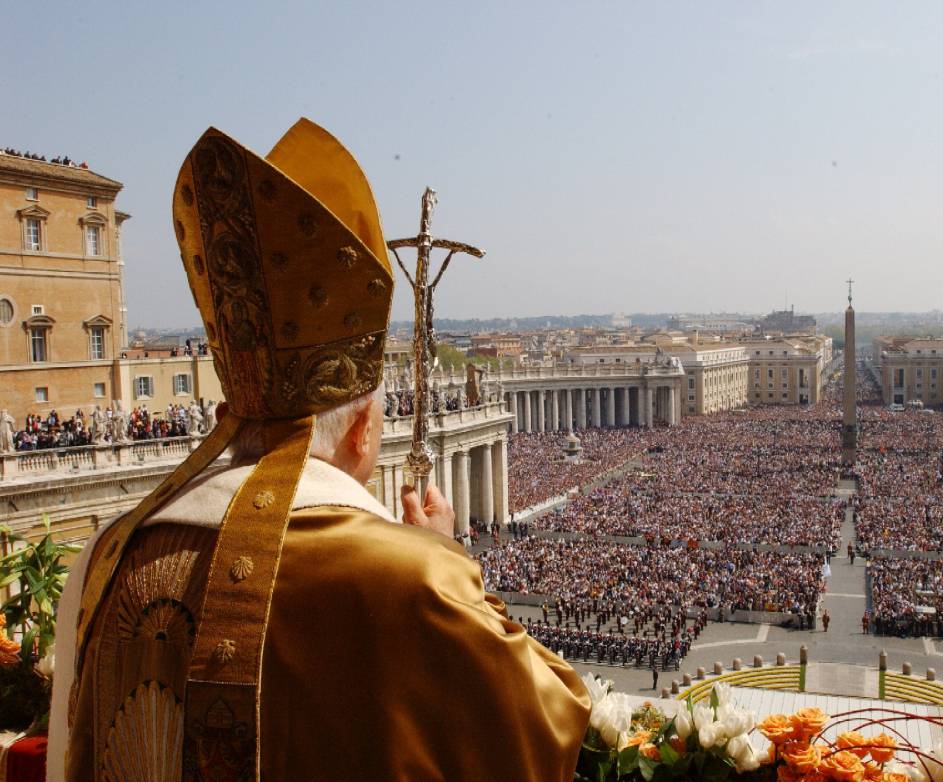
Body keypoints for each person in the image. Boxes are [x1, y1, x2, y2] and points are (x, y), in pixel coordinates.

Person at [48, 120, 588, 781]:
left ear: (230, 410)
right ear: (363, 429)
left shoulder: (108, 557)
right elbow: (548, 723)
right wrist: (449, 560)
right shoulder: (411, 582)